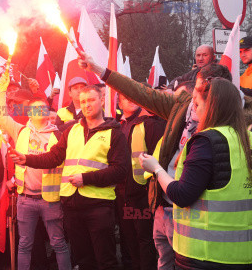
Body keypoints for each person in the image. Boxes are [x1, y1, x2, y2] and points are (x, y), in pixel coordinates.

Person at [77, 52, 249, 270]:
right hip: (166, 207)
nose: (194, 98)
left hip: (203, 222)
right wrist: (99, 70)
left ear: (215, 94)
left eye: (199, 91)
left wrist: (157, 169)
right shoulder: (182, 106)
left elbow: (187, 193)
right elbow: (140, 92)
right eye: (194, 89)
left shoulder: (239, 120)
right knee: (163, 261)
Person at [11, 85, 129, 270]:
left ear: (102, 100)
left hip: (99, 206)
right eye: (83, 102)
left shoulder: (114, 133)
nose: (87, 105)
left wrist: (86, 178)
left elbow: (121, 170)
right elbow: (53, 157)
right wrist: (27, 159)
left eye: (91, 100)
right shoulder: (72, 131)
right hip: (72, 206)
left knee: (106, 260)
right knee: (83, 260)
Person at [140, 78, 252, 269]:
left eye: (197, 103)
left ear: (212, 106)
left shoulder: (205, 141)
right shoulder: (246, 137)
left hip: (204, 254)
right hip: (241, 254)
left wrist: (157, 169)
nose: (194, 108)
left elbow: (182, 195)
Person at [0, 74, 71, 270]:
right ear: (29, 111)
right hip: (25, 199)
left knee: (58, 244)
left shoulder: (58, 135)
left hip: (50, 200)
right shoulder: (19, 131)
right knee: (24, 245)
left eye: (43, 107)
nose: (39, 110)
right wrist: (2, 89)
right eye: (35, 107)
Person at [116, 94, 165, 270]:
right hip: (122, 194)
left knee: (145, 239)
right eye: (124, 97)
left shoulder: (150, 122)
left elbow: (159, 156)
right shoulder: (119, 126)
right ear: (119, 103)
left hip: (143, 194)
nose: (130, 99)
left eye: (132, 95)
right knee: (130, 238)